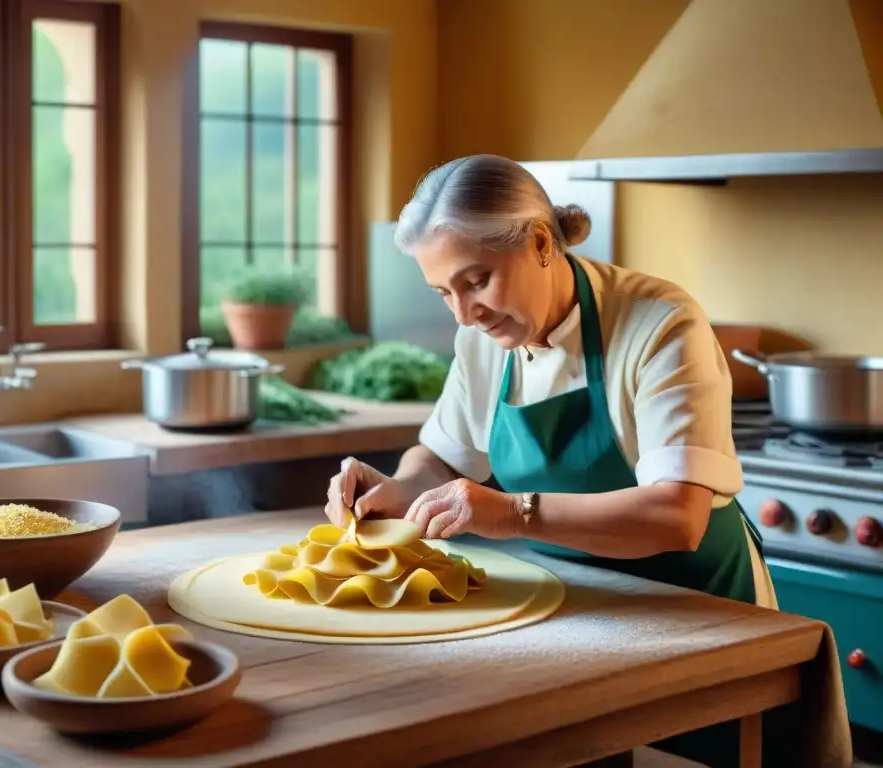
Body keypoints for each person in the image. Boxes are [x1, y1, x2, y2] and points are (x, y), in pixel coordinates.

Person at [323, 154, 777, 767]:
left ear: (540, 243)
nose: (464, 313)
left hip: (696, 614)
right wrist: (399, 488)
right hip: (578, 614)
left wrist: (512, 513)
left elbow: (678, 515)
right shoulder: (481, 339)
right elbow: (442, 457)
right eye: (443, 292)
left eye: (476, 280)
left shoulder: (659, 324)